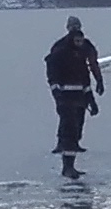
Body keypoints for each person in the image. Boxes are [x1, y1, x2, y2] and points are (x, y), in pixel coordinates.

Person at [44, 17, 104, 161]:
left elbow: (93, 63)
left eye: (76, 26)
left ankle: (74, 142)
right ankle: (62, 142)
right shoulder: (60, 47)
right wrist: (56, 88)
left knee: (80, 114)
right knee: (66, 116)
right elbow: (53, 67)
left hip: (81, 85)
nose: (74, 28)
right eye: (72, 26)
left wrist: (99, 80)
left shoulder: (86, 45)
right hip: (65, 88)